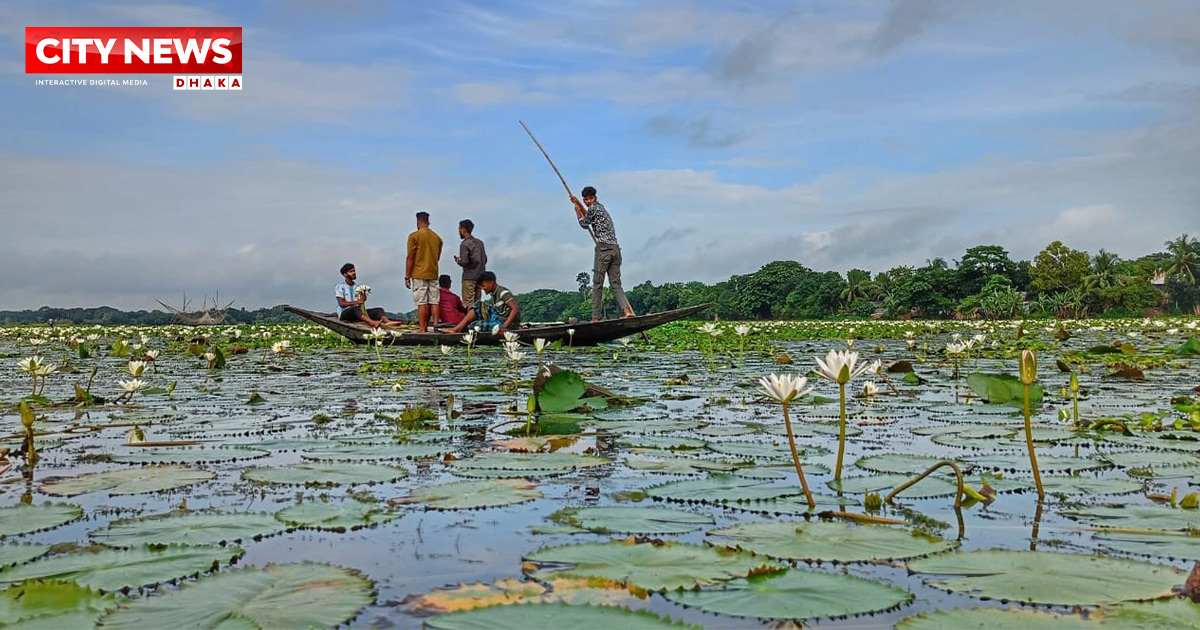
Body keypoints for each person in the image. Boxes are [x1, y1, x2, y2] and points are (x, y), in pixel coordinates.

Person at [571, 185, 634, 321]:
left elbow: (584, 223)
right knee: (616, 284)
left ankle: (595, 318)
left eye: (589, 199)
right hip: (615, 248)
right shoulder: (600, 207)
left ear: (595, 197)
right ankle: (627, 311)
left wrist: (577, 210)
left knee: (597, 284)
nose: (587, 202)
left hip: (604, 249)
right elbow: (589, 215)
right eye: (585, 200)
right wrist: (578, 203)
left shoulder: (594, 208)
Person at [405, 211, 443, 332]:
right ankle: (436, 326)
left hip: (419, 273)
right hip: (433, 272)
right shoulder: (437, 238)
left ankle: (423, 328)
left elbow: (410, 256)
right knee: (434, 300)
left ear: (418, 222)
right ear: (428, 222)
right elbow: (437, 257)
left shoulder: (414, 236)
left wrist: (407, 276)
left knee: (422, 302)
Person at [450, 271, 520, 334]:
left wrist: (504, 327)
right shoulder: (494, 294)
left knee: (475, 325)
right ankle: (457, 329)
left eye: (483, 286)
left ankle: (457, 329)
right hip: (497, 318)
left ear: (491, 283)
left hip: (507, 323)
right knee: (478, 305)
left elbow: (515, 309)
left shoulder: (503, 292)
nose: (483, 288)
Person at [335, 263, 396, 327]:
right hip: (344, 314)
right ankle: (371, 322)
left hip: (357, 313)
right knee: (355, 308)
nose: (354, 273)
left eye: (354, 271)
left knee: (379, 310)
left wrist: (363, 298)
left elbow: (361, 301)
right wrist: (357, 302)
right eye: (351, 271)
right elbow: (342, 304)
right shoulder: (340, 287)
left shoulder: (357, 287)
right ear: (345, 274)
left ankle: (387, 322)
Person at [453, 219, 487, 308]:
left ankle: (470, 321)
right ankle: (477, 320)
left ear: (463, 230)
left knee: (468, 304)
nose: (458, 231)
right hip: (480, 276)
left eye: (459, 229)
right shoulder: (480, 243)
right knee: (477, 303)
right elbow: (485, 259)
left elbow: (464, 261)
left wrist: (458, 261)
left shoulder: (464, 244)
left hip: (469, 277)